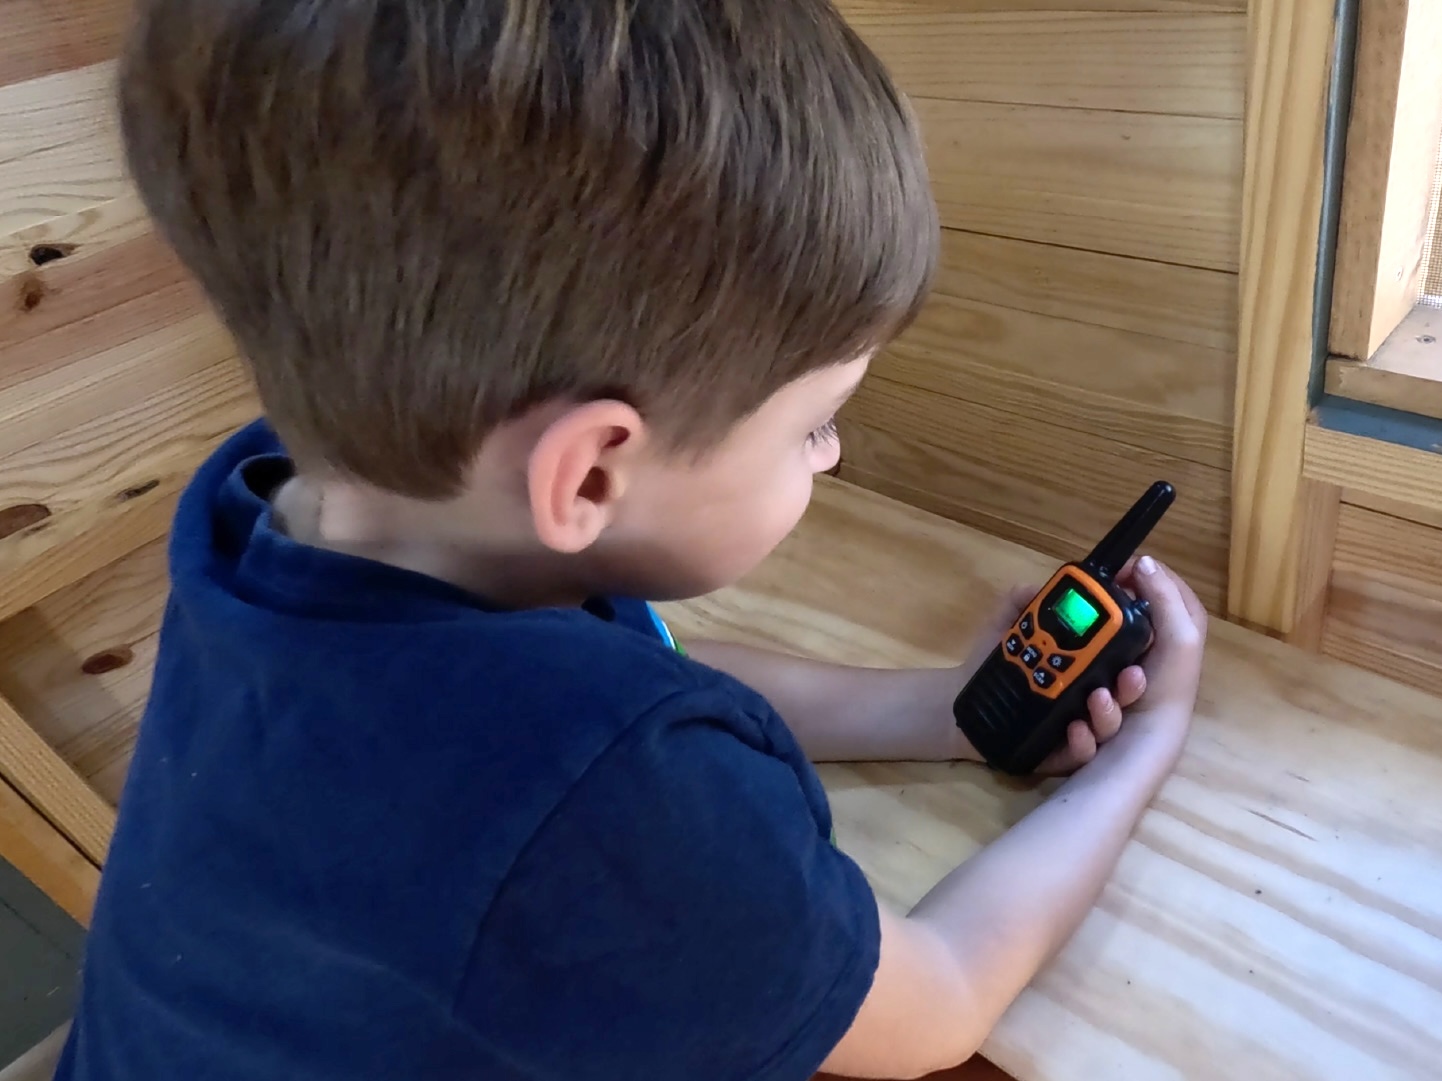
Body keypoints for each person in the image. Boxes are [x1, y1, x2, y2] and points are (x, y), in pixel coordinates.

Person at [57, 2, 1209, 1078]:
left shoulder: (281, 516)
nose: (833, 456)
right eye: (812, 424)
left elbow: (610, 688)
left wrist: (941, 711)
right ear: (592, 470)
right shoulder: (613, 812)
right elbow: (941, 996)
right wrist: (1147, 742)